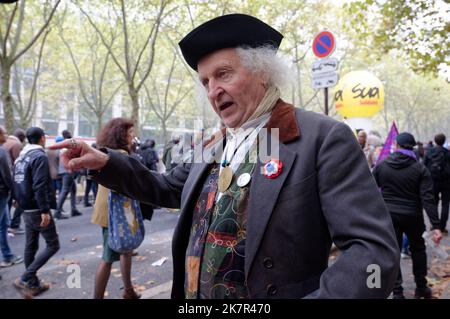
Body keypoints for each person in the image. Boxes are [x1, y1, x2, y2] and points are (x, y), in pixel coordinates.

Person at [51, 13, 399, 299]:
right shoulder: (211, 144)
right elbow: (166, 187)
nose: (213, 91)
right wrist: (106, 162)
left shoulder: (322, 139)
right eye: (205, 81)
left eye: (223, 74)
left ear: (263, 72)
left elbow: (372, 252)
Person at [373, 132, 442, 299]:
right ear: (413, 147)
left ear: (396, 145)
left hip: (389, 216)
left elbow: (370, 191)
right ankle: (421, 288)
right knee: (418, 250)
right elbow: (428, 198)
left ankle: (397, 292)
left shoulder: (381, 165)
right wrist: (436, 225)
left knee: (394, 252)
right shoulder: (420, 168)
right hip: (413, 216)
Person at [90, 118, 141, 299]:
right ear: (120, 135)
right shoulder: (120, 155)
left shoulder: (107, 153)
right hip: (116, 212)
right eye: (129, 133)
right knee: (108, 256)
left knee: (125, 250)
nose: (132, 136)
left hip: (110, 209)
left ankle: (129, 290)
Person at [12, 127, 60, 296]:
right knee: (53, 244)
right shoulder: (39, 156)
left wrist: (16, 200)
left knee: (31, 245)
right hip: (36, 207)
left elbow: (15, 182)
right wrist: (45, 211)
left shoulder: (21, 157)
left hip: (25, 206)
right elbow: (39, 185)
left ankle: (33, 284)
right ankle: (26, 277)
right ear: (42, 139)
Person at [0, 126, 23, 268]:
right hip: (1, 193)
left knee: (3, 226)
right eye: (4, 133)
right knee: (2, 226)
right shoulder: (2, 152)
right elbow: (7, 175)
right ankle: (7, 257)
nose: (6, 135)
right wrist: (16, 194)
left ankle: (8, 256)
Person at [424, 133, 450, 234]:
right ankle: (442, 227)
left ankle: (434, 225)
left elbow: (424, 166)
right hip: (446, 182)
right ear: (444, 141)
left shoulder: (429, 152)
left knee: (433, 203)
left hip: (432, 181)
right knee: (445, 204)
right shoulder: (448, 153)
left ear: (435, 141)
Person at [54, 130, 82, 219]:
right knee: (65, 190)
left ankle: (74, 209)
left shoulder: (61, 146)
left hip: (63, 171)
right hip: (68, 171)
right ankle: (57, 212)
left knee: (72, 189)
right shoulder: (70, 146)